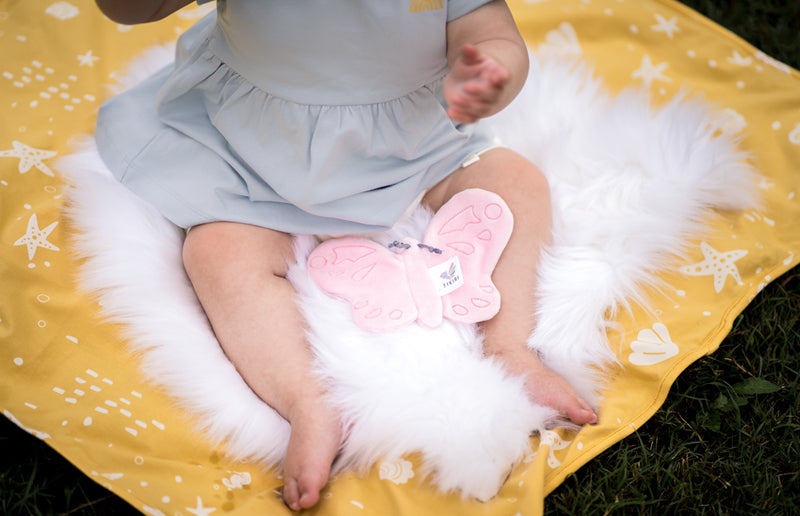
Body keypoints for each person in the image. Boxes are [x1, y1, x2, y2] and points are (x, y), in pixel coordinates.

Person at [93, 0, 598, 510]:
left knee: (516, 183)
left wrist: (493, 70)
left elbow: (490, 31)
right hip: (250, 150)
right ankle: (309, 401)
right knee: (217, 250)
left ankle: (510, 347)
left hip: (411, 147)